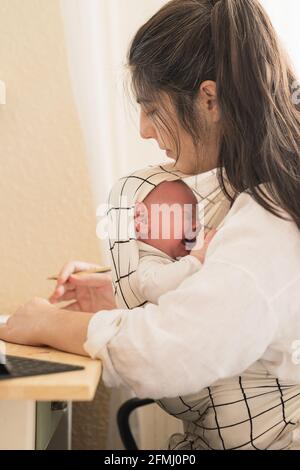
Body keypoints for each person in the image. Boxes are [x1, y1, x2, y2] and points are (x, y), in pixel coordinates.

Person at [1, 0, 300, 450]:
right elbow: (227, 295)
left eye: (152, 109)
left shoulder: (272, 222)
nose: (143, 129)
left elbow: (171, 352)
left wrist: (42, 323)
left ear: (210, 100)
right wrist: (115, 293)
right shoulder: (265, 194)